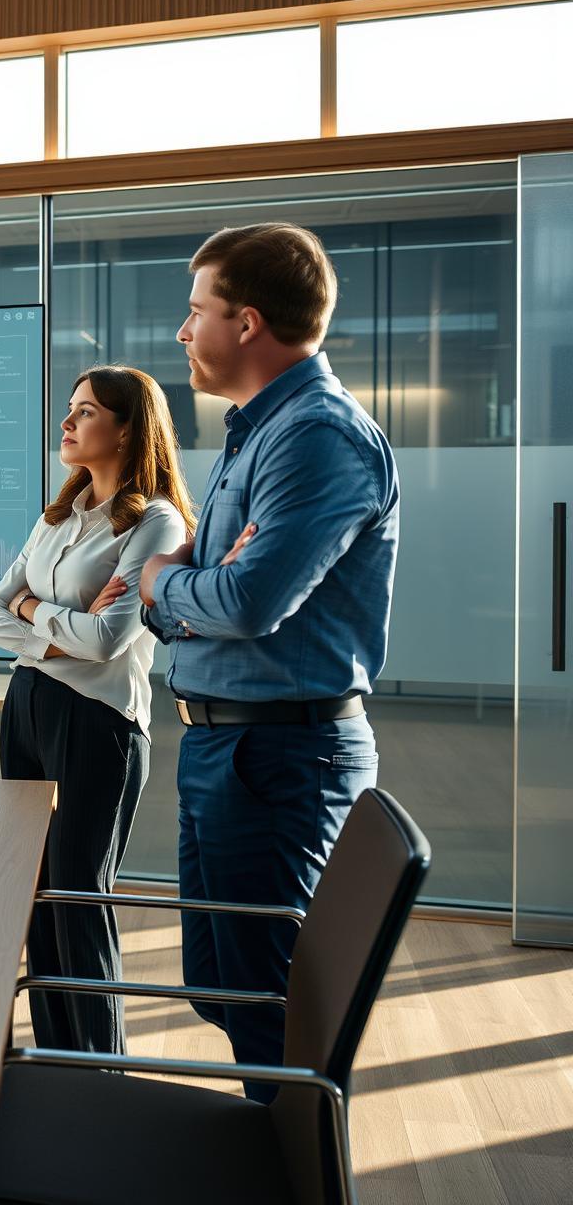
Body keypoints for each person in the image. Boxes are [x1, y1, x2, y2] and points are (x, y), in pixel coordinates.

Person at [138, 223, 399, 1101]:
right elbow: (216, 595)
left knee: (278, 1011)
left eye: (195, 310)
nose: (182, 331)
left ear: (247, 323)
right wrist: (194, 587)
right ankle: (271, 1150)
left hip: (281, 757)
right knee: (226, 987)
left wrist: (168, 583)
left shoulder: (316, 437)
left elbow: (245, 603)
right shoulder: (257, 432)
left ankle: (289, 1168)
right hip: (228, 748)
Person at [0, 366, 194, 1055]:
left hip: (98, 724)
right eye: (69, 410)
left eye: (85, 412)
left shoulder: (156, 521)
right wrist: (51, 621)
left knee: (77, 894)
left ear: (128, 428)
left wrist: (31, 612)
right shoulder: (59, 516)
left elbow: (109, 642)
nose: (67, 423)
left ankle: (100, 1074)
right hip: (28, 706)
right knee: (33, 892)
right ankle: (52, 1059)